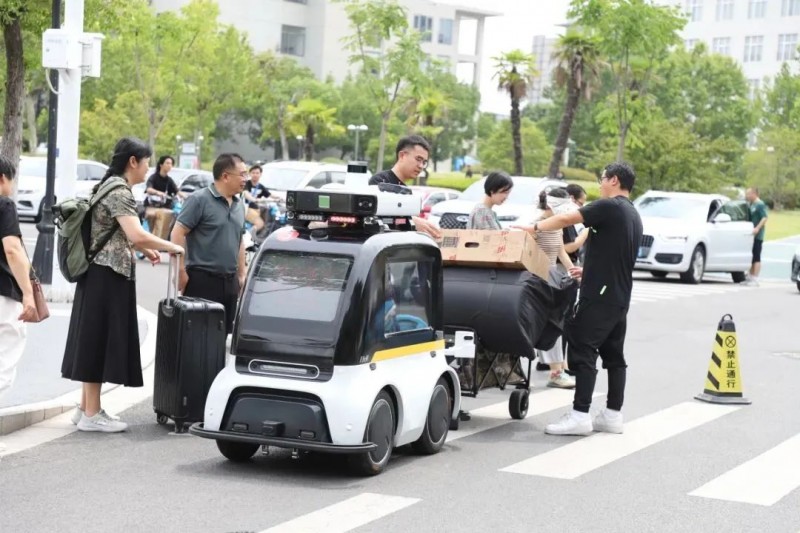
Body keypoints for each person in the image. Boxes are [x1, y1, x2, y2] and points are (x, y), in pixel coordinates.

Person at [62, 137, 184, 433]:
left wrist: (145, 249)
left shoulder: (107, 185)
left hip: (98, 274)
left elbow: (119, 232)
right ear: (133, 162)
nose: (147, 169)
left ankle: (86, 409)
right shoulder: (119, 191)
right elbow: (136, 233)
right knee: (98, 341)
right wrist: (171, 247)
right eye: (146, 163)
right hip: (107, 275)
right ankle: (92, 414)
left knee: (94, 338)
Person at [515, 162, 643, 436]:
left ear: (614, 180)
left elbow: (565, 220)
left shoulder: (609, 206)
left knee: (582, 348)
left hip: (599, 295)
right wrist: (589, 271)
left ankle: (580, 415)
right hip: (619, 295)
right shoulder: (633, 213)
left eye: (602, 178)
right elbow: (616, 256)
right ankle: (612, 414)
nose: (600, 184)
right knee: (614, 356)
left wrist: (532, 228)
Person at [171, 153, 248, 334]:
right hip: (201, 280)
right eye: (242, 174)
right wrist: (180, 270)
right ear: (225, 176)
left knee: (222, 336)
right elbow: (177, 233)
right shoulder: (199, 200)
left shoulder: (239, 205)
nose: (246, 179)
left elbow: (239, 239)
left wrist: (242, 274)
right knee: (196, 336)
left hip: (229, 282)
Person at [0, 155, 36, 404]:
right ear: (3, 179)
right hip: (3, 295)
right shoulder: (4, 206)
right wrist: (28, 293)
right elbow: (12, 250)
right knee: (4, 363)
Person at [533, 188, 576, 389]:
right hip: (538, 281)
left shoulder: (556, 225)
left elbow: (561, 252)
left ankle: (557, 370)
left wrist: (573, 272)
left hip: (553, 280)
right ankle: (556, 372)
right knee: (552, 326)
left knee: (552, 326)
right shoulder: (535, 225)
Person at [368, 135, 441, 239]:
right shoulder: (379, 182)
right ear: (402, 155)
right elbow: (378, 219)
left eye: (424, 162)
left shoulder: (406, 191)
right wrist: (411, 221)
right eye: (418, 159)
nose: (421, 166)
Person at [143, 155, 183, 240]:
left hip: (164, 208)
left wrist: (188, 196)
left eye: (171, 164)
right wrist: (158, 193)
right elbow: (149, 189)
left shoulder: (169, 180)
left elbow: (177, 192)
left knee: (168, 220)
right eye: (167, 163)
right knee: (151, 221)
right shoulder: (153, 177)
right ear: (161, 165)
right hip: (152, 206)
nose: (169, 166)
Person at [745, 187, 768, 287]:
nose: (747, 196)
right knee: (751, 256)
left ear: (754, 194)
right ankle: (750, 277)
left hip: (758, 235)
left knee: (756, 256)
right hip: (751, 234)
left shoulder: (760, 204)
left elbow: (764, 217)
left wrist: (757, 228)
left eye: (749, 194)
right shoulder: (751, 204)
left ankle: (755, 278)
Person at [242, 164, 273, 237]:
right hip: (247, 208)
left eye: (257, 173)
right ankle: (247, 237)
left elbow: (270, 195)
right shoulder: (246, 184)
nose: (255, 175)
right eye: (253, 173)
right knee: (260, 224)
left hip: (256, 209)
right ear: (250, 174)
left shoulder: (260, 186)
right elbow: (246, 193)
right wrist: (254, 199)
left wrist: (281, 199)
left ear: (260, 174)